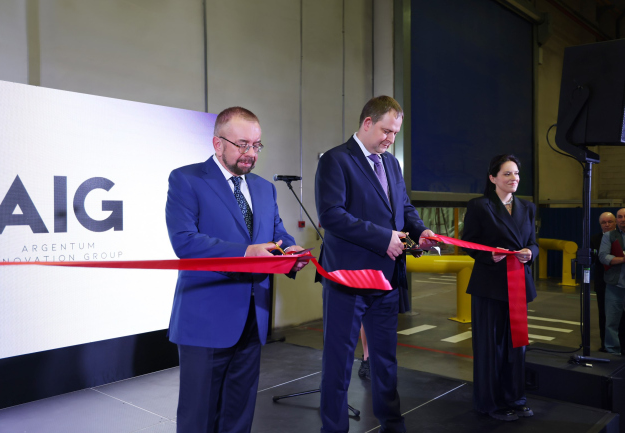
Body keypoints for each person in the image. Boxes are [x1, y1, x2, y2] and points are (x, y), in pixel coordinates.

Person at [165, 107, 307, 433]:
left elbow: (277, 234)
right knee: (198, 418)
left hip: (253, 319)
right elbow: (185, 242)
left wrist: (289, 252)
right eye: (243, 144)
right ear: (218, 143)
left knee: (239, 415)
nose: (251, 153)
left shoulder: (264, 188)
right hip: (206, 321)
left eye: (257, 145)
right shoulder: (186, 180)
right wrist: (245, 252)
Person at [315, 95, 436, 433]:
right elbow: (332, 215)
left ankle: (392, 425)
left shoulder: (391, 163)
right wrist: (384, 238)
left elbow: (404, 208)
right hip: (347, 279)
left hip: (386, 278)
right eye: (386, 131)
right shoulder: (336, 160)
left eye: (395, 133)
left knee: (385, 361)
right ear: (367, 123)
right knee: (338, 363)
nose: (390, 139)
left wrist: (420, 231)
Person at [461, 154, 538, 422]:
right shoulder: (479, 206)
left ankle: (515, 398)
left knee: (517, 346)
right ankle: (490, 402)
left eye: (516, 173)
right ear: (493, 178)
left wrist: (531, 252)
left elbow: (533, 241)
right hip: (490, 286)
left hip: (518, 283)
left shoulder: (527, 207)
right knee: (490, 348)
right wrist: (488, 255)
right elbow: (468, 241)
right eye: (507, 173)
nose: (514, 178)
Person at [599, 208, 625, 355]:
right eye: (620, 217)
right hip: (615, 286)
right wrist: (622, 259)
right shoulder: (609, 236)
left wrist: (615, 259)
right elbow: (603, 257)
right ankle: (613, 352)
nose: (623, 219)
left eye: (624, 217)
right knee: (611, 323)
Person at [591, 212, 616, 351]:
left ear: (615, 223)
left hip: (620, 283)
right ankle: (605, 345)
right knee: (604, 315)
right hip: (603, 283)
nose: (607, 225)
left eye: (610, 222)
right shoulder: (594, 239)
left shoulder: (621, 237)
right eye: (603, 222)